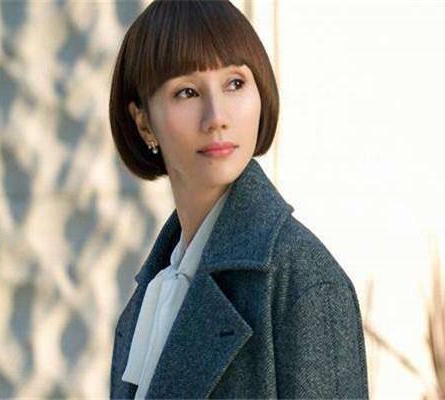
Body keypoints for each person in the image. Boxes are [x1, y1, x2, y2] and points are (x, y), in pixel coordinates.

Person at [108, 1, 369, 399]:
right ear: (144, 122)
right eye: (187, 92)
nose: (217, 116)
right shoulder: (150, 297)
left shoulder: (302, 281)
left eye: (234, 83)